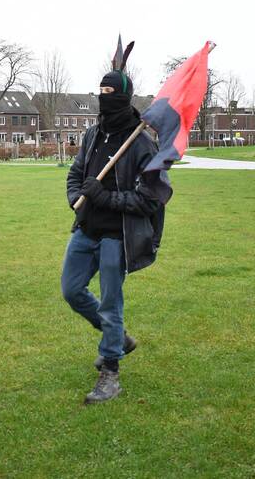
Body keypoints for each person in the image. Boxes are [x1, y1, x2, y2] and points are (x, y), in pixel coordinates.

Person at [62, 70, 170, 404]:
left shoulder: (141, 143)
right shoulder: (94, 134)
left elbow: (151, 198)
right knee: (71, 290)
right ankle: (119, 339)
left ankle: (110, 370)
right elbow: (76, 172)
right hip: (86, 229)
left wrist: (105, 197)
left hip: (117, 236)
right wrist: (75, 196)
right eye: (100, 89)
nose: (103, 95)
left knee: (111, 304)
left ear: (123, 95)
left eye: (110, 90)